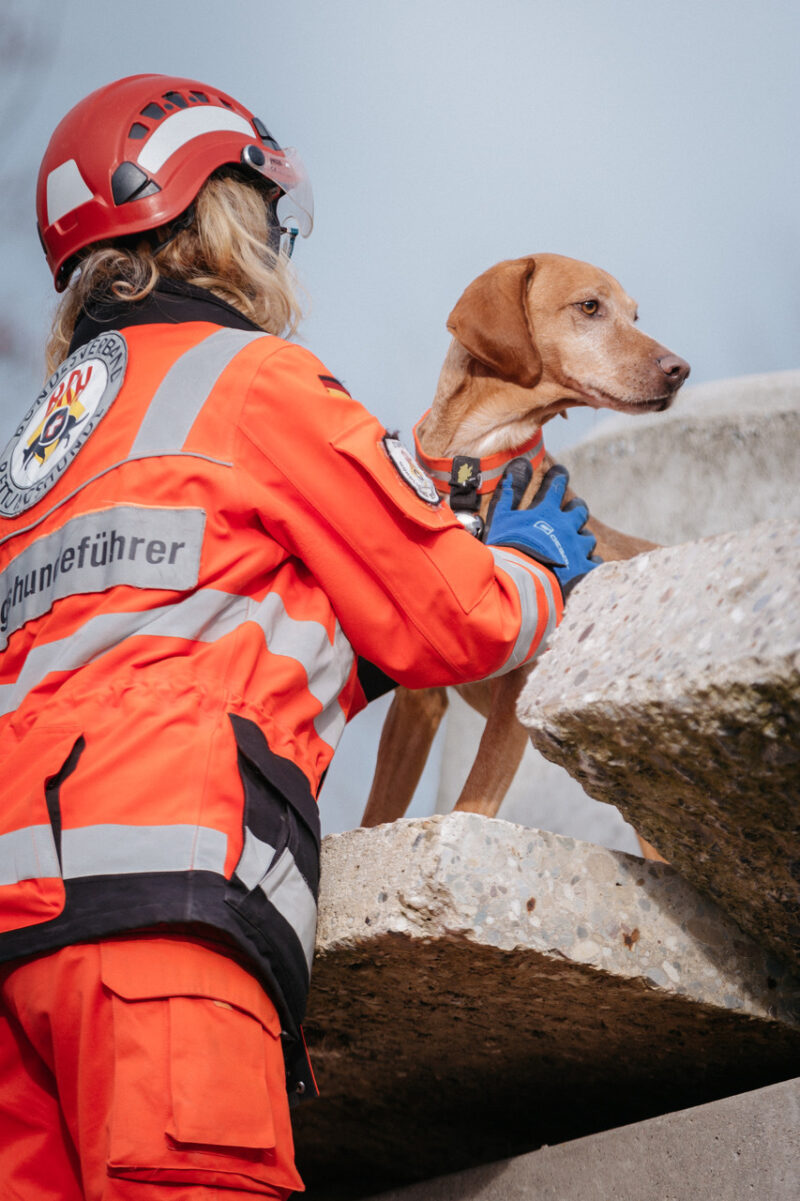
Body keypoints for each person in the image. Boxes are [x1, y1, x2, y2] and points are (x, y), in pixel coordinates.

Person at [0, 74, 599, 1199]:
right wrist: (534, 567)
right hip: (161, 932)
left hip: (17, 947)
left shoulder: (40, 449)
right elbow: (455, 613)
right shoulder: (254, 380)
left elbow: (159, 644)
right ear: (224, 217)